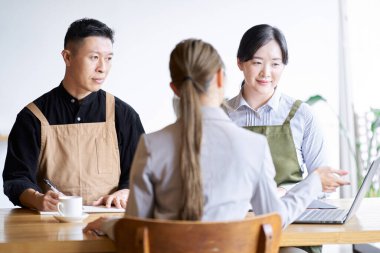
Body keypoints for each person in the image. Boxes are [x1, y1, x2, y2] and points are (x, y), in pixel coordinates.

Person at [83, 39, 348, 249]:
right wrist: (313, 182)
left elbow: (137, 230)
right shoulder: (253, 146)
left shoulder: (152, 145)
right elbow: (275, 220)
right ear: (221, 78)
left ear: (174, 88)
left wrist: (108, 224)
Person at [224, 24, 345, 253]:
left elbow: (323, 185)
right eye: (257, 62)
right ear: (240, 62)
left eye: (275, 64)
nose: (266, 73)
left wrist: (286, 193)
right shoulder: (221, 117)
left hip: (293, 230)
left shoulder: (302, 115)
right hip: (237, 231)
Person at [2, 18, 144, 211]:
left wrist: (126, 191)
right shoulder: (33, 116)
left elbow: (141, 173)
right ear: (67, 57)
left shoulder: (123, 115)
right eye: (94, 57)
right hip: (50, 228)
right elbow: (16, 178)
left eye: (108, 58)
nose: (103, 67)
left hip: (108, 226)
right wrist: (37, 199)